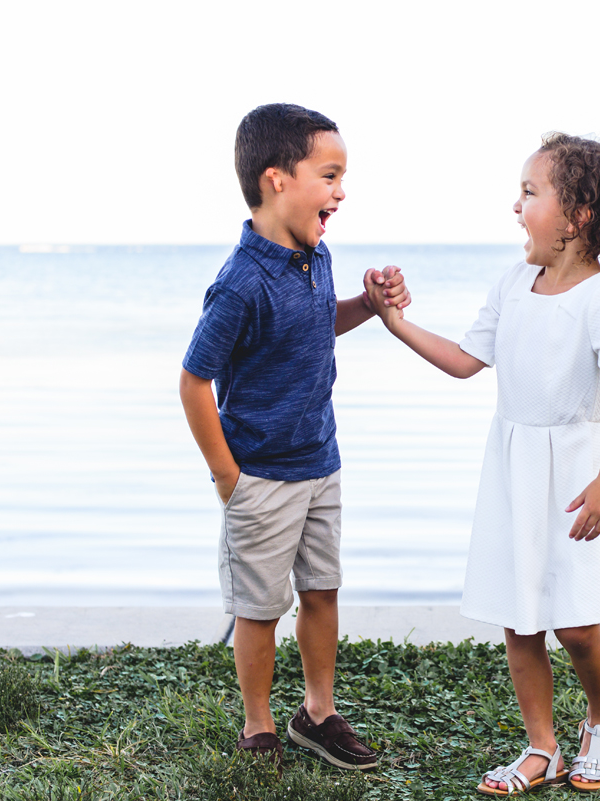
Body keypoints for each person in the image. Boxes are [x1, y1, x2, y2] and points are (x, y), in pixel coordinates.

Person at [363, 132, 600, 795]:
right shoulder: (512, 283)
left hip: (580, 476)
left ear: (577, 215)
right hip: (516, 468)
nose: (515, 205)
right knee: (519, 617)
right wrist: (397, 323)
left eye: (529, 192)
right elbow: (468, 360)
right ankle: (542, 746)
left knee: (577, 622)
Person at [179, 103, 410, 771]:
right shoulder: (239, 284)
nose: (341, 191)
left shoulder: (317, 255)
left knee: (321, 590)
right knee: (259, 607)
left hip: (320, 461)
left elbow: (312, 328)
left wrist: (368, 306)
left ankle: (316, 712)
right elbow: (195, 381)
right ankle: (258, 726)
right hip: (260, 476)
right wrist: (229, 477)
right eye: (330, 175)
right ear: (278, 179)